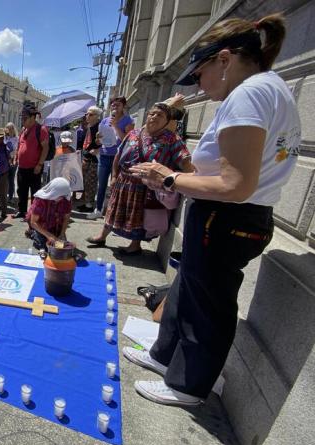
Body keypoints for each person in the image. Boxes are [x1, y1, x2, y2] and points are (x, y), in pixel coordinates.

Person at [124, 13, 300, 407]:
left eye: (200, 74)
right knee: (188, 287)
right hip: (228, 215)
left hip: (230, 216)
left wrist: (168, 178)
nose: (199, 86)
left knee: (207, 302)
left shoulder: (249, 94)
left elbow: (235, 184)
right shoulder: (264, 89)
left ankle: (189, 384)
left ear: (225, 60)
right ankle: (165, 357)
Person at [86, 102, 193, 254]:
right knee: (112, 210)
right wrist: (115, 176)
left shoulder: (172, 139)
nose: (154, 116)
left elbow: (185, 161)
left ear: (167, 121)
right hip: (123, 181)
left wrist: (191, 181)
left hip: (145, 186)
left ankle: (135, 245)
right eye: (152, 113)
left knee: (138, 218)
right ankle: (102, 236)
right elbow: (118, 155)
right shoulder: (133, 134)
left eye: (160, 115)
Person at [95, 97, 136, 218]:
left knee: (117, 185)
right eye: (112, 105)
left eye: (117, 105)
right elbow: (98, 142)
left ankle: (114, 213)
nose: (114, 107)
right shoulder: (104, 121)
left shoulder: (129, 120)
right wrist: (98, 138)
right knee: (101, 184)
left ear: (123, 106)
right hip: (104, 155)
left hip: (119, 157)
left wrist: (116, 126)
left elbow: (127, 140)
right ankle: (98, 209)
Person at [14, 101, 49, 219]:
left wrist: (40, 164)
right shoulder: (23, 130)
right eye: (22, 117)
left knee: (35, 192)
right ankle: (22, 211)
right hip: (22, 167)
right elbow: (19, 145)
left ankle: (33, 214)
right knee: (21, 191)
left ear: (33, 117)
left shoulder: (41, 129)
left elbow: (45, 148)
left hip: (34, 168)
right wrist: (16, 158)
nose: (23, 120)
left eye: (25, 117)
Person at [25, 178, 73, 250]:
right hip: (41, 226)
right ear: (54, 192)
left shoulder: (65, 199)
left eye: (64, 196)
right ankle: (32, 232)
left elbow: (66, 217)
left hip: (55, 226)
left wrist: (62, 233)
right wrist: (49, 236)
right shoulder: (40, 200)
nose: (63, 198)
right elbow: (33, 222)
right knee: (43, 247)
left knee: (61, 247)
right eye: (61, 196)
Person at [77, 106, 103, 214]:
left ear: (97, 116)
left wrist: (99, 149)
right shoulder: (89, 126)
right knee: (85, 182)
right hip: (86, 157)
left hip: (94, 159)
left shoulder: (100, 127)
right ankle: (86, 202)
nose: (87, 116)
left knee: (91, 182)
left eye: (90, 114)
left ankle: (89, 205)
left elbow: (107, 141)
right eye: (87, 114)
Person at [4, 122, 19, 205]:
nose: (8, 130)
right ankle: (4, 196)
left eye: (10, 128)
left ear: (13, 129)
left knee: (11, 179)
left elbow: (16, 150)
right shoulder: (4, 138)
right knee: (4, 179)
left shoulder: (16, 139)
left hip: (13, 160)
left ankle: (10, 197)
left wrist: (12, 159)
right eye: (7, 128)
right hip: (5, 161)